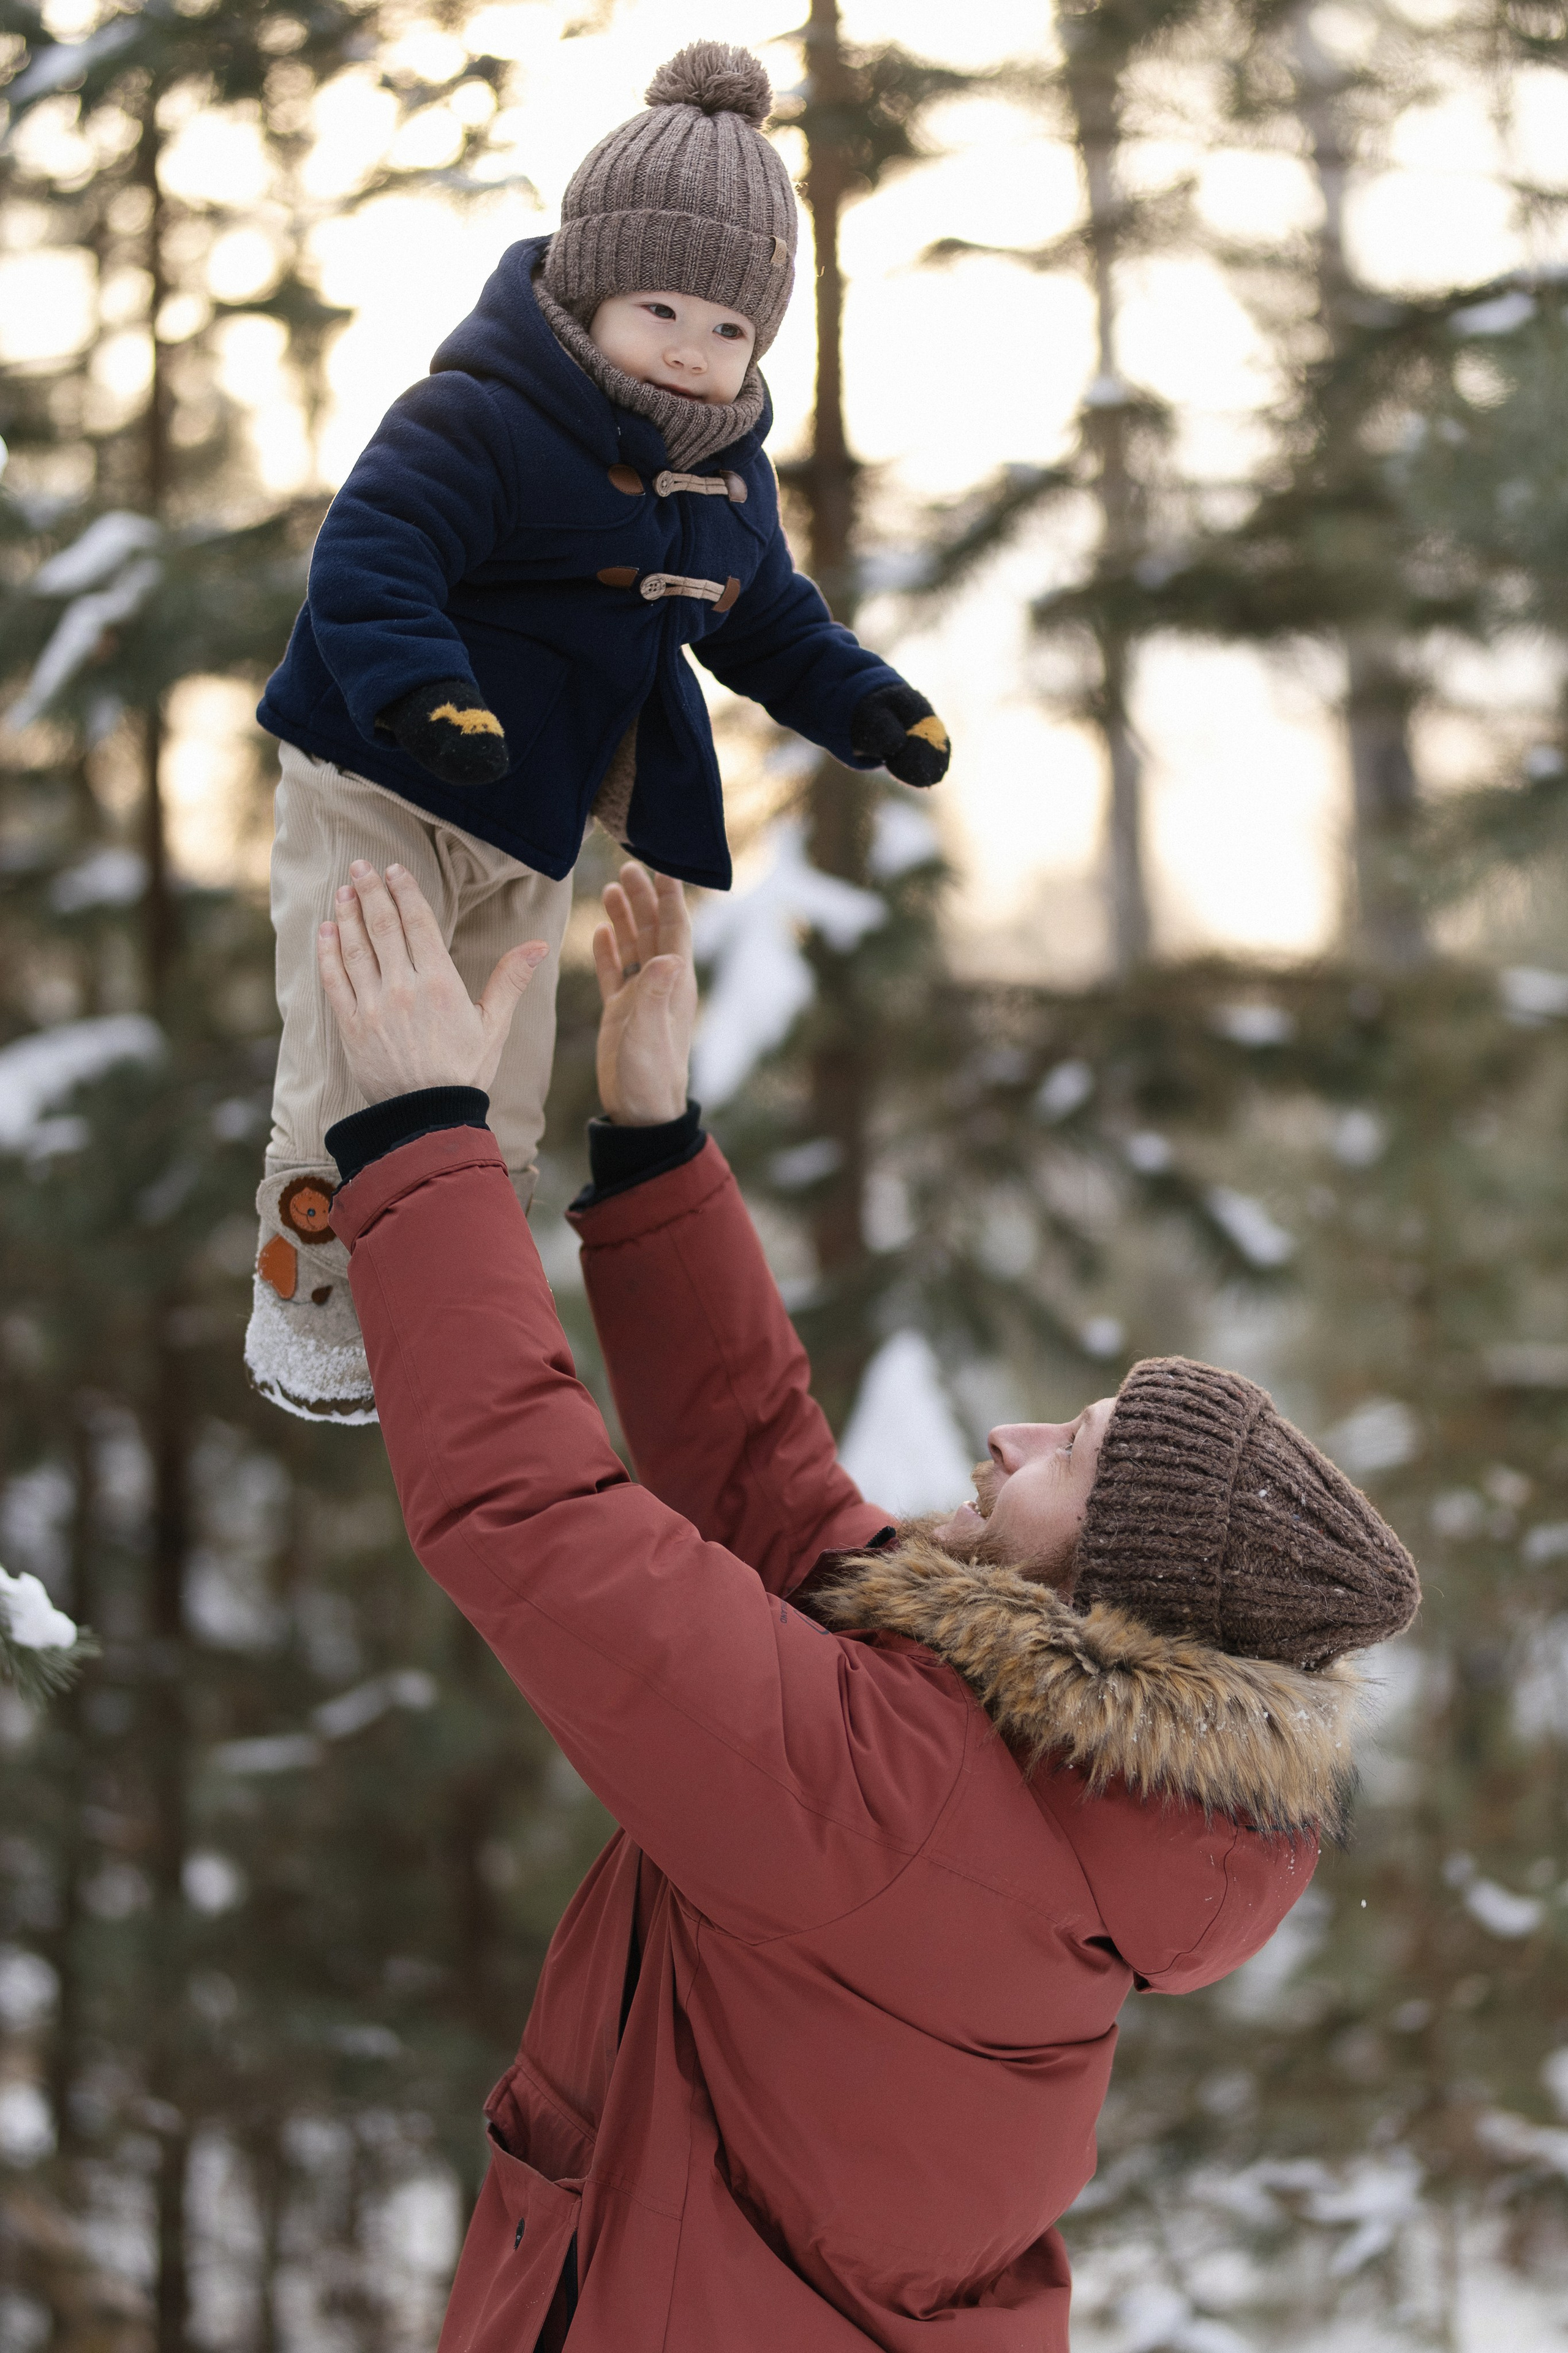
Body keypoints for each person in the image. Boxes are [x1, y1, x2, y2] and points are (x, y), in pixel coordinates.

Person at [310, 856, 1420, 2353]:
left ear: (1113, 1605)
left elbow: (535, 1523)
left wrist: (417, 1134)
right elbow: (776, 1498)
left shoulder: (902, 1813)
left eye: (1070, 1456)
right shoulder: (1056, 1806)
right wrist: (651, 1142)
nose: (1011, 1437)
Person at [245, 39, 950, 1426]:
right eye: (662, 307)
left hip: (527, 808)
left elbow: (765, 621)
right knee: (358, 1046)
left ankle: (446, 1315)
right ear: (585, 286)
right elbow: (373, 555)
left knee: (491, 1093)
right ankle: (312, 1311)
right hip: (380, 770)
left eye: (730, 330)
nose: (694, 349)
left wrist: (864, 702)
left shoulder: (724, 489)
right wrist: (421, 692)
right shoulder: (481, 418)